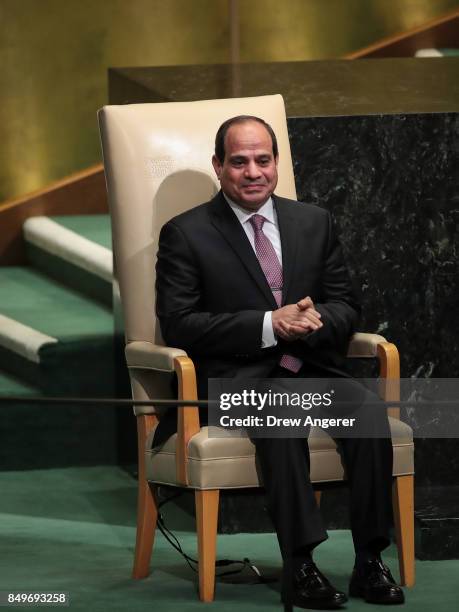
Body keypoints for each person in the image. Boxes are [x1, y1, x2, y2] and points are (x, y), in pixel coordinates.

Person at [155, 115, 405, 609]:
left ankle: (369, 560)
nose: (253, 172)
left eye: (263, 160)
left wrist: (314, 319)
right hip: (236, 383)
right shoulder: (186, 233)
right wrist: (270, 324)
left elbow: (347, 305)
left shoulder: (314, 222)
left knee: (369, 412)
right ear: (219, 166)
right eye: (239, 161)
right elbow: (180, 323)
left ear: (276, 163)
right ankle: (302, 564)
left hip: (311, 371)